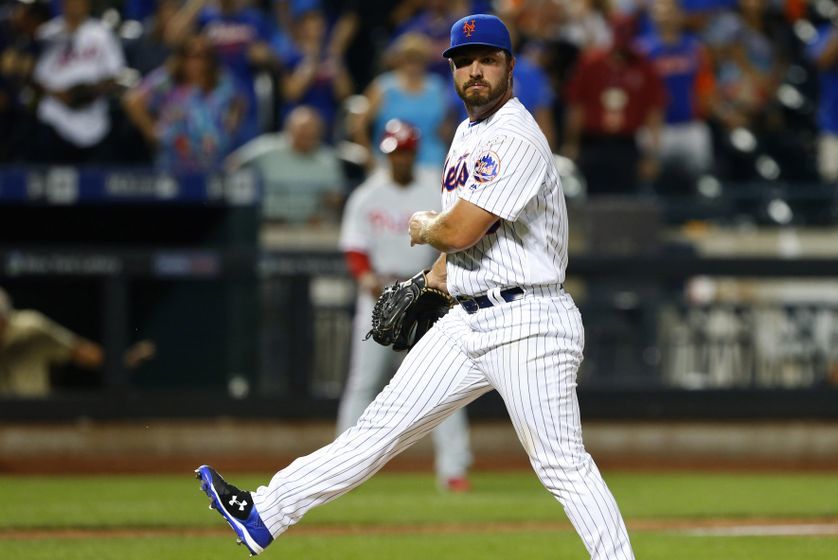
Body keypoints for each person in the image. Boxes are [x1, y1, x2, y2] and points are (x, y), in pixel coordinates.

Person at [196, 14, 635, 560]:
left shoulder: (517, 136)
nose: (475, 70)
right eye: (464, 60)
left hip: (530, 324)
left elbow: (457, 230)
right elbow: (465, 248)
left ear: (509, 67)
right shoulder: (467, 135)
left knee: (561, 464)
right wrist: (428, 281)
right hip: (469, 319)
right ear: (451, 69)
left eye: (488, 59)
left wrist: (425, 227)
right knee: (375, 429)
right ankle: (263, 514)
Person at [338, 119, 472, 492]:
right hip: (380, 294)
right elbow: (354, 247)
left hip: (426, 294)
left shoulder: (433, 188)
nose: (399, 159)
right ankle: (342, 467)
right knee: (363, 383)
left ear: (414, 153)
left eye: (405, 152)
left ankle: (454, 468)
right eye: (393, 153)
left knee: (443, 385)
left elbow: (455, 239)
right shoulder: (368, 194)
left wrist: (437, 282)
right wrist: (365, 277)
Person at [122, 33, 248, 172]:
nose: (197, 62)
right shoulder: (168, 80)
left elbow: (240, 100)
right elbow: (133, 100)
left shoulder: (222, 81)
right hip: (174, 162)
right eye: (191, 55)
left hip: (214, 162)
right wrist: (152, 133)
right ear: (181, 57)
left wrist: (232, 123)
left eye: (203, 56)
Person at [0, 287, 155, 397]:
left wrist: (121, 361)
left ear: (6, 317)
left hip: (33, 416)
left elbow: (78, 350)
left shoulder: (30, 328)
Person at [28, 0, 125, 164]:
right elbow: (34, 78)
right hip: (54, 121)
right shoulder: (46, 33)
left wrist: (86, 92)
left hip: (95, 120)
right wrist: (62, 95)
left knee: (94, 185)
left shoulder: (102, 33)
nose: (75, 4)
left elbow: (117, 76)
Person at [225, 105, 345, 225]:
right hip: (270, 223)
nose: (307, 139)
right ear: (289, 130)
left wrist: (329, 206)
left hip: (310, 227)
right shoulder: (267, 148)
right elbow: (232, 163)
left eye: (312, 135)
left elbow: (336, 196)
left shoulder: (327, 159)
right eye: (302, 133)